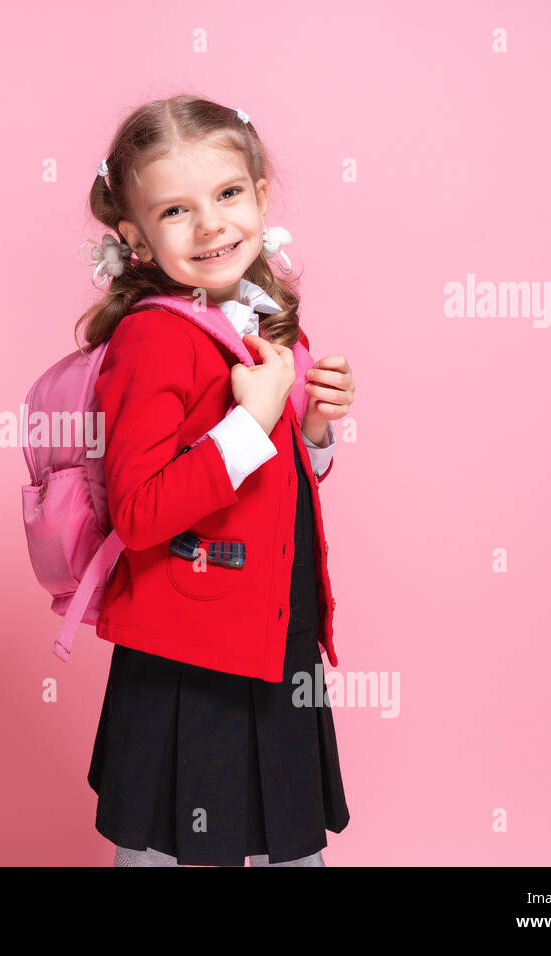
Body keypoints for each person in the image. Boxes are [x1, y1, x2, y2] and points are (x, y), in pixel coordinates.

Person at [77, 95, 358, 867]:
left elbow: (283, 490)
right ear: (135, 236)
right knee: (169, 851)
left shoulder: (271, 322)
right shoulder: (153, 338)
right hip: (187, 659)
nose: (211, 226)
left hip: (273, 638)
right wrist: (250, 421)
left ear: (262, 196)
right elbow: (137, 514)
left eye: (228, 194)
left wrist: (312, 428)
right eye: (176, 209)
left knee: (289, 845)